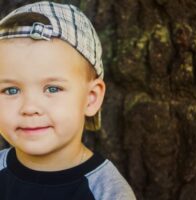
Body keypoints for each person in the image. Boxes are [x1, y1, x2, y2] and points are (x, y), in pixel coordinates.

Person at [0, 1, 136, 200]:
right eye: (11, 90)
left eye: (53, 88)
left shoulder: (108, 193)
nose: (29, 108)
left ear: (91, 98)